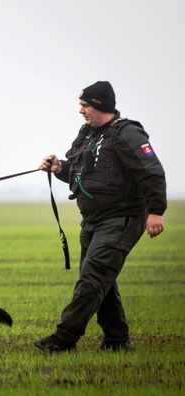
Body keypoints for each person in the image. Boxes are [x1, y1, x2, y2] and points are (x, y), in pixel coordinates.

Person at [35, 81, 167, 353]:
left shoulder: (127, 134)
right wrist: (59, 167)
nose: (80, 111)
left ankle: (64, 339)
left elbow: (151, 171)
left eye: (85, 105)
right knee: (98, 279)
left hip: (122, 218)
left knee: (92, 279)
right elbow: (80, 171)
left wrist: (156, 211)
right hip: (94, 220)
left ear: (99, 106)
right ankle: (117, 339)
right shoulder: (89, 134)